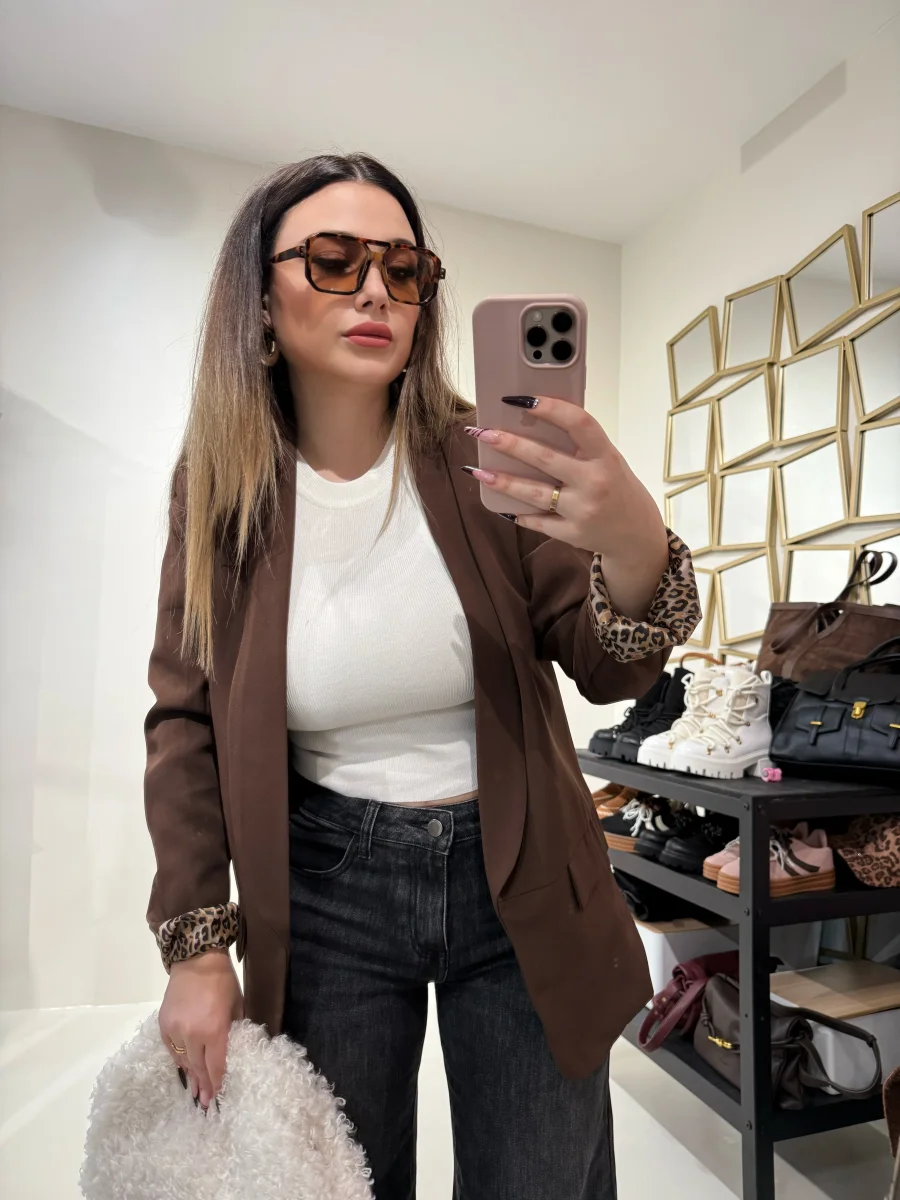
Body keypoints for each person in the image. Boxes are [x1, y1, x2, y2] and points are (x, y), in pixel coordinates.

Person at [145, 152, 700, 1199]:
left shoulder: (485, 455)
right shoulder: (221, 484)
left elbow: (607, 665)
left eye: (403, 269)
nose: (375, 291)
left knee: (537, 1179)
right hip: (325, 886)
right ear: (259, 297)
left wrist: (632, 543)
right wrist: (197, 943)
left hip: (520, 865)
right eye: (335, 259)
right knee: (342, 1179)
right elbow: (184, 718)